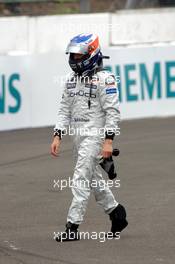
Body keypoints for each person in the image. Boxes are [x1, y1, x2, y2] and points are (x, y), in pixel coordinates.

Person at [51, 33, 128, 242]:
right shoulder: (70, 80)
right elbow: (63, 110)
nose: (74, 60)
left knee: (80, 179)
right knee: (93, 179)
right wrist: (58, 135)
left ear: (91, 54)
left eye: (78, 56)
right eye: (73, 56)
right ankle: (116, 213)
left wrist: (108, 141)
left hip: (94, 138)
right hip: (77, 139)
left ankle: (72, 227)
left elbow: (113, 112)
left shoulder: (106, 79)